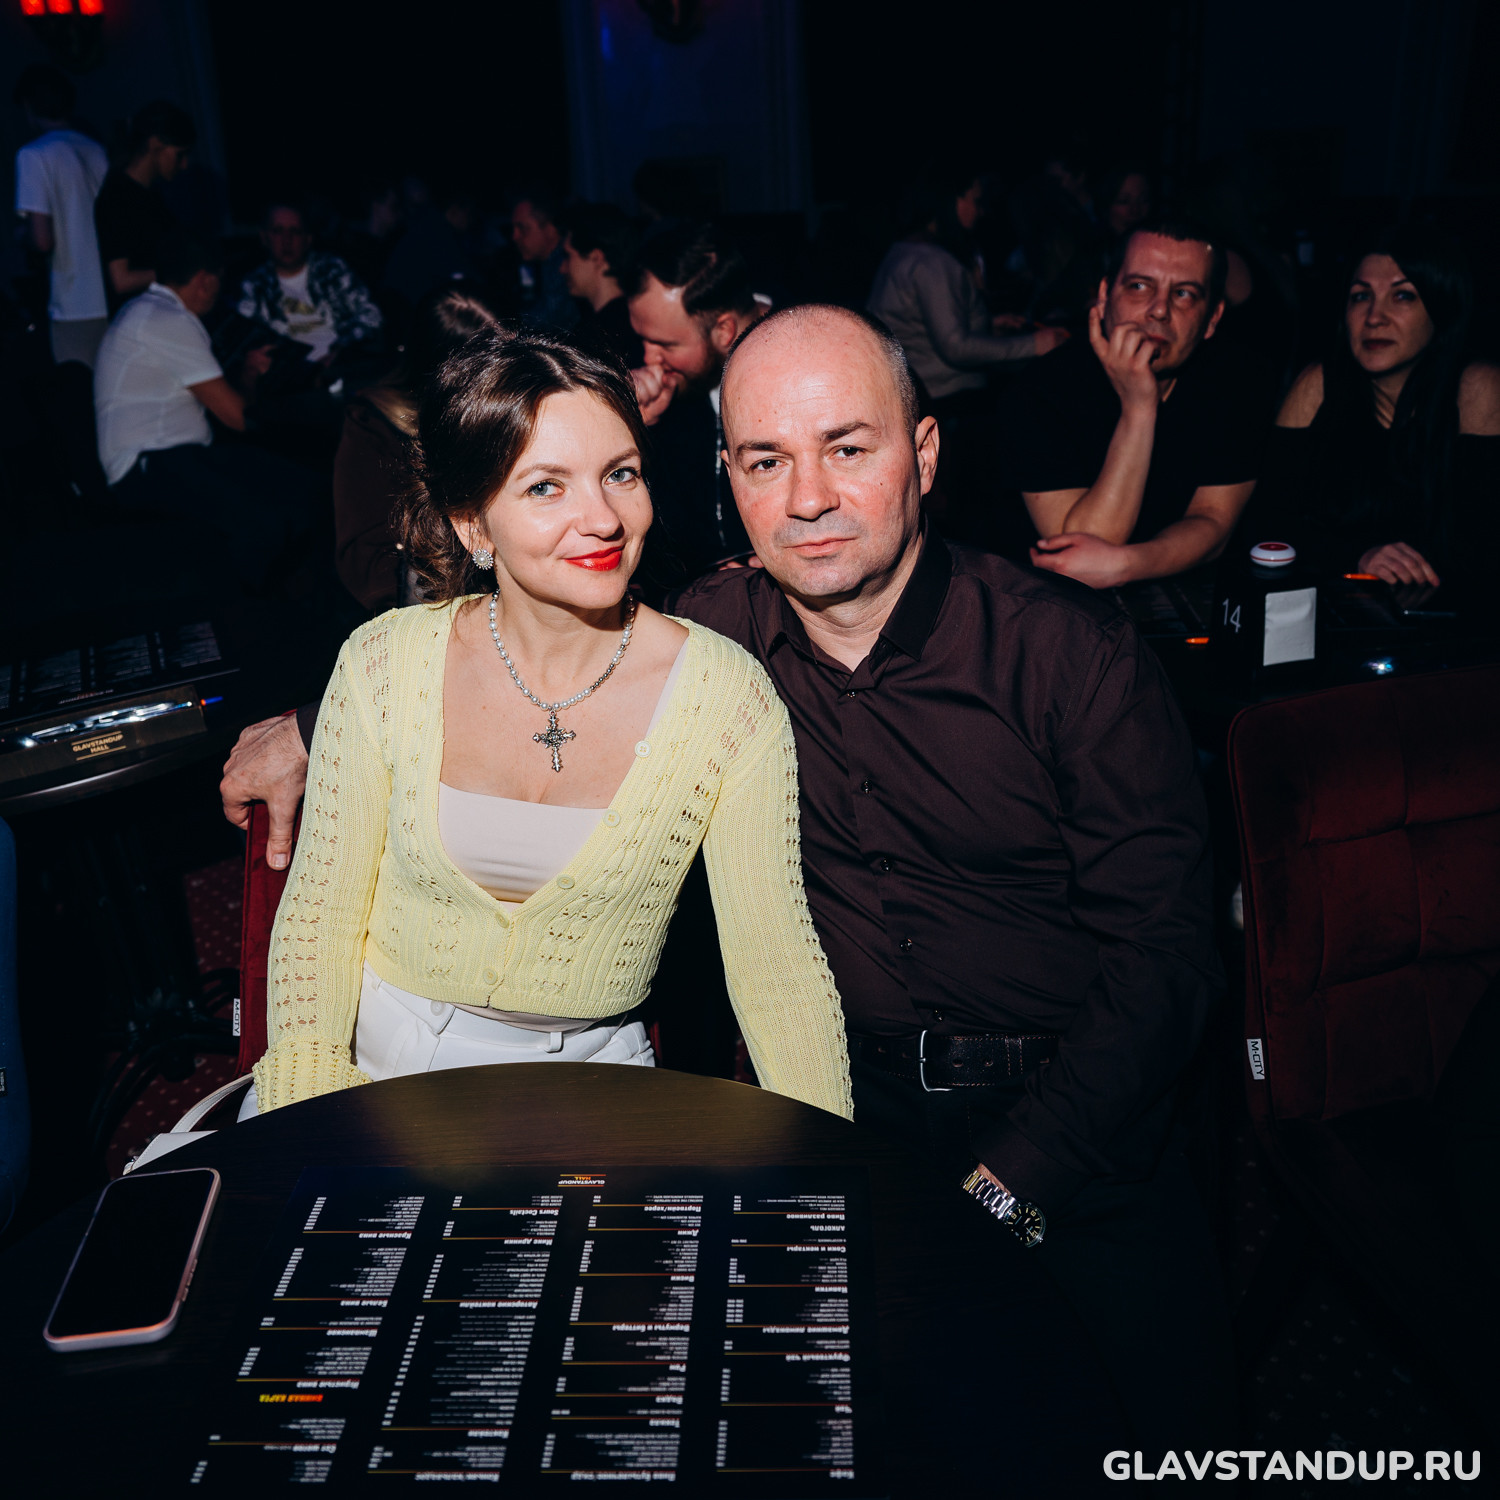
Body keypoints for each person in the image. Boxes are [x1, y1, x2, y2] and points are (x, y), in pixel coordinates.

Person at [217, 306, 1231, 1458]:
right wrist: (313, 725)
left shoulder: (1069, 656)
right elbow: (532, 655)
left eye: (847, 448)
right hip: (854, 1098)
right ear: (727, 478)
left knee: (1146, 1439)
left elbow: (1166, 966)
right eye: (765, 460)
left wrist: (1006, 1186)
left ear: (925, 454)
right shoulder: (719, 633)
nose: (809, 498)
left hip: (1075, 1113)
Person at [241, 328, 851, 1125]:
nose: (602, 518)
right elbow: (318, 923)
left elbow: (778, 973)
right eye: (545, 487)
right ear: (472, 525)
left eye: (620, 474)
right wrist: (307, 1121)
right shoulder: (383, 663)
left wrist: (828, 1172)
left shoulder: (727, 701)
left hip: (594, 1091)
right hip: (372, 1065)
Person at [1005, 220, 1265, 588]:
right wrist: (1139, 410)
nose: (1159, 310)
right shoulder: (1041, 390)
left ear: (1212, 319)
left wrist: (1127, 565)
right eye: (1139, 286)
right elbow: (1084, 550)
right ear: (1104, 295)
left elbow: (1213, 522)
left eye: (1184, 294)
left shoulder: (1237, 382)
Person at [1250, 227, 1500, 600]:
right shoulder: (1319, 384)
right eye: (1361, 296)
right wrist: (1358, 555)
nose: (1374, 317)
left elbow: (1482, 549)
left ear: (1442, 310)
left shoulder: (1478, 388)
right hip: (1338, 609)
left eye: (1402, 295)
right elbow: (1266, 525)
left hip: (1455, 617)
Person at [94, 229, 319, 590]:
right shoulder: (169, 320)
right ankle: (238, 608)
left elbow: (231, 412)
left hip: (170, 456)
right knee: (264, 521)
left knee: (299, 485)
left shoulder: (147, 310)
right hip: (147, 465)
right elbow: (238, 417)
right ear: (204, 280)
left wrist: (248, 373)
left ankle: (284, 594)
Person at [868, 168, 1067, 548]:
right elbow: (955, 348)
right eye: (974, 200)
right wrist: (1036, 344)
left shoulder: (904, 250)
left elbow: (922, 325)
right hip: (949, 406)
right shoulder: (931, 262)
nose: (980, 211)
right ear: (949, 202)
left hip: (924, 395)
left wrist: (990, 323)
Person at [334, 286, 502, 613]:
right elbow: (365, 557)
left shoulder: (498, 415)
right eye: (488, 370)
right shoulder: (372, 426)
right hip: (428, 605)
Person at [624, 219, 764, 583]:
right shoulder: (674, 392)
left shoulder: (812, 365)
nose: (649, 358)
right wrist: (638, 431)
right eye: (643, 339)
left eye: (666, 345)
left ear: (724, 330)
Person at [13, 65, 109, 370]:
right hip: (111, 292)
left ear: (29, 106)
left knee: (77, 388)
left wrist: (23, 236)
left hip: (74, 301)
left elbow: (42, 240)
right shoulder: (96, 150)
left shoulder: (34, 155)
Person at [237, 201, 383, 366]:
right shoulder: (254, 285)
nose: (287, 240)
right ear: (264, 237)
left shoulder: (332, 270)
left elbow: (372, 317)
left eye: (295, 231)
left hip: (341, 365)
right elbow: (246, 340)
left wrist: (341, 351)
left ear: (308, 238)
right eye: (278, 231)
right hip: (287, 372)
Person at [93, 100, 194, 311]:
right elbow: (121, 280)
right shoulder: (117, 196)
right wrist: (181, 271)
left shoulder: (153, 196)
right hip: (137, 316)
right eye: (179, 155)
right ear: (155, 144)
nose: (184, 165)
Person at [559, 202, 644, 369]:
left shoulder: (599, 337)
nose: (562, 268)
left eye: (568, 256)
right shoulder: (635, 321)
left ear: (597, 258)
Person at [509, 189, 577, 332]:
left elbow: (543, 322)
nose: (515, 236)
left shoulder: (565, 265)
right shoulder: (537, 265)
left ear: (550, 229)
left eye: (523, 228)